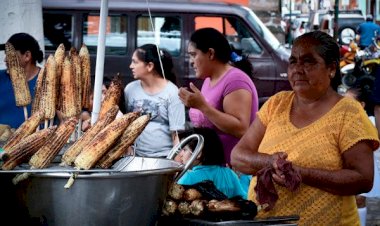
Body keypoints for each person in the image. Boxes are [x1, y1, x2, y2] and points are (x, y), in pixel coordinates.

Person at [230, 31, 380, 226]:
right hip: (265, 221)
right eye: (293, 61)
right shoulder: (277, 103)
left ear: (331, 69)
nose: (297, 69)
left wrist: (301, 173)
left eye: (308, 62)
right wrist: (271, 161)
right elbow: (238, 156)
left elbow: (363, 179)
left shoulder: (348, 113)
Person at [178, 27, 259, 166]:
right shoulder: (209, 80)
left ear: (210, 53)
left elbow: (241, 128)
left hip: (229, 170)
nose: (191, 61)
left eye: (193, 55)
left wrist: (202, 106)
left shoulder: (235, 80)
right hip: (209, 166)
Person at [124, 43, 186, 157]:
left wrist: (175, 161)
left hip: (163, 158)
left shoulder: (172, 92)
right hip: (133, 158)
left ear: (149, 66)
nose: (131, 66)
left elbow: (176, 135)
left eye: (135, 62)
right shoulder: (130, 89)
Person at [175, 127, 248, 199]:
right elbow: (243, 199)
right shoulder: (229, 174)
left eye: (184, 150)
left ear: (198, 153)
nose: (181, 154)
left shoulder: (188, 177)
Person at [0, 33, 43, 129]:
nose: (5, 60)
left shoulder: (48, 81)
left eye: (9, 55)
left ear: (27, 56)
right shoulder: (1, 78)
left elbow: (81, 114)